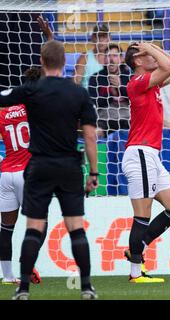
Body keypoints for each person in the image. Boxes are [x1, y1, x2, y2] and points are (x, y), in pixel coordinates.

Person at [0, 40, 99, 299]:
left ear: (42, 62)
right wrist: (94, 173)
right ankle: (86, 287)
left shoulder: (31, 90)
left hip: (39, 166)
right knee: (76, 227)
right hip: (69, 166)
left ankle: (23, 288)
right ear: (65, 63)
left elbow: (3, 99)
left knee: (33, 228)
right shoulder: (78, 93)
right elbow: (90, 137)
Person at [122, 42, 170, 283]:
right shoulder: (137, 83)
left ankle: (138, 246)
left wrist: (152, 48)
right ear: (138, 61)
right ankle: (136, 273)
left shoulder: (152, 82)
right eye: (148, 55)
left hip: (151, 156)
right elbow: (168, 65)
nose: (153, 58)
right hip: (140, 153)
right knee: (142, 214)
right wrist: (149, 46)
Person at [0, 68, 44, 285]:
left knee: (6, 227)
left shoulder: (4, 109)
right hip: (29, 172)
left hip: (6, 173)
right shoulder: (37, 106)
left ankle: (7, 276)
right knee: (39, 223)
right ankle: (27, 262)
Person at [88, 43, 131, 137]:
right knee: (93, 134)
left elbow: (135, 99)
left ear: (121, 59)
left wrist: (120, 87)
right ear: (104, 60)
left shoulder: (130, 76)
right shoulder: (96, 78)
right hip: (105, 118)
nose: (111, 59)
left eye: (115, 56)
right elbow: (94, 102)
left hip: (128, 118)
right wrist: (111, 94)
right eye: (108, 56)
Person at [74, 24, 111, 89]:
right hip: (88, 97)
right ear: (92, 38)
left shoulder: (115, 57)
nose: (101, 40)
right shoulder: (84, 57)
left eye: (104, 36)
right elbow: (75, 83)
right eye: (98, 36)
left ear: (109, 38)